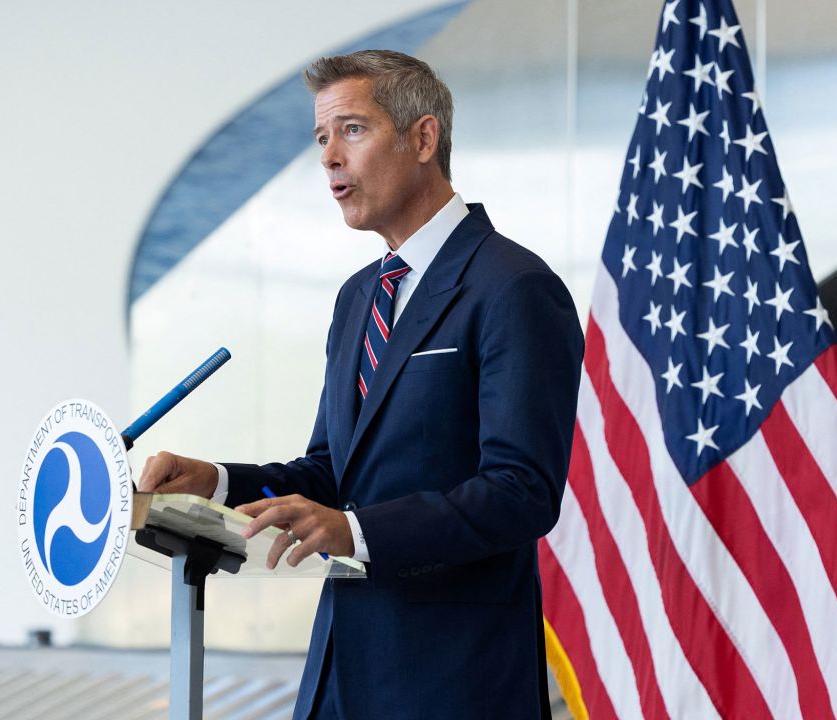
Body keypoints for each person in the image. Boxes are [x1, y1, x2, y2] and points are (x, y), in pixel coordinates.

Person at [139, 49, 584, 719]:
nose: (328, 158)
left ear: (424, 138)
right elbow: (327, 475)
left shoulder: (514, 288)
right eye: (321, 138)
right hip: (340, 677)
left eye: (351, 129)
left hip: (455, 682)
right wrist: (217, 484)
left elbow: (521, 494)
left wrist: (355, 530)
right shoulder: (358, 299)